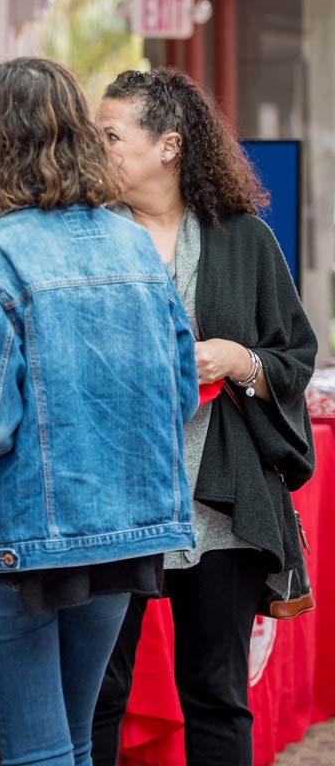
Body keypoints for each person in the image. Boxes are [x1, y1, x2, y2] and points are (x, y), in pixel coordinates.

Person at [0, 57, 199, 766]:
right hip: (124, 526)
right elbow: (178, 394)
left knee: (39, 753)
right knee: (77, 743)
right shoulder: (135, 246)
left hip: (19, 536)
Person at [91, 68, 316, 766]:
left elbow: (294, 356)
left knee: (215, 694)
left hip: (217, 503)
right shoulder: (86, 238)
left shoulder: (243, 240)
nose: (97, 149)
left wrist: (237, 358)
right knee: (99, 692)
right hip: (108, 498)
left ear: (169, 145)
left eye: (111, 135)